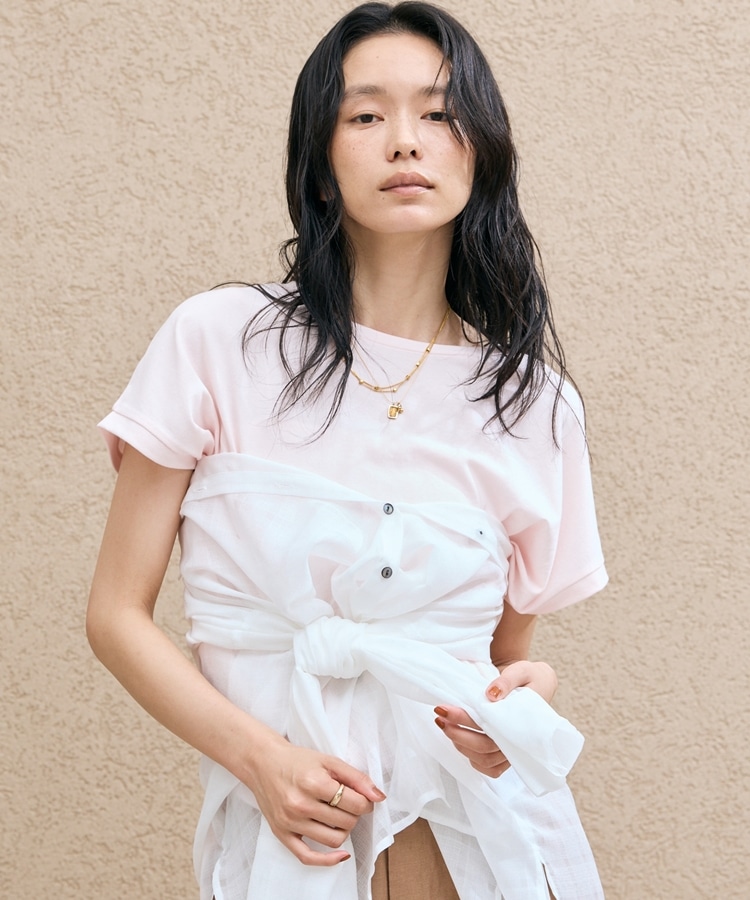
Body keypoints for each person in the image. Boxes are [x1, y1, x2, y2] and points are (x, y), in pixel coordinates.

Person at [87, 3, 608, 898]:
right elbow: (114, 615)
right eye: (365, 115)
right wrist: (262, 761)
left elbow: (496, 661)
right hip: (293, 845)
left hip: (484, 850)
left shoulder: (537, 405)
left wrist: (521, 696)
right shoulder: (216, 341)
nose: (405, 140)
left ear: (480, 154)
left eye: (439, 113)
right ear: (320, 167)